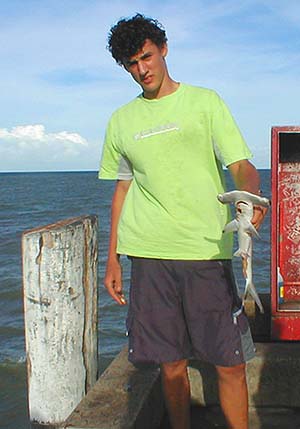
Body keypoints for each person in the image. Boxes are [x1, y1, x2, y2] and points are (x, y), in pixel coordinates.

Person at [99, 13, 267, 429]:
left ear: (164, 49)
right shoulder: (121, 121)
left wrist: (250, 199)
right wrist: (113, 258)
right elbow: (122, 188)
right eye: (132, 64)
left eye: (146, 57)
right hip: (149, 254)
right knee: (170, 365)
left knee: (229, 362)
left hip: (206, 250)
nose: (142, 70)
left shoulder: (205, 102)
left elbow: (242, 165)